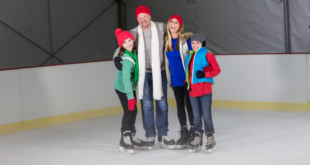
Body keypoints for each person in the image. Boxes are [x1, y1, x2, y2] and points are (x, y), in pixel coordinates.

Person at [113, 6, 175, 150]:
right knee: (146, 106)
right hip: (144, 74)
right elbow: (121, 46)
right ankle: (150, 135)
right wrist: (117, 59)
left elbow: (174, 33)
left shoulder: (160, 28)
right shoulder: (134, 33)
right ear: (137, 19)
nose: (143, 20)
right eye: (140, 18)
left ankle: (163, 135)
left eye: (145, 17)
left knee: (162, 104)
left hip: (160, 72)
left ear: (149, 16)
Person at [184, 33, 221, 153]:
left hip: (205, 90)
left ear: (202, 43)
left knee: (206, 116)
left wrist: (205, 74)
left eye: (197, 42)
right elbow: (188, 72)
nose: (195, 45)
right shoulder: (189, 56)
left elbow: (216, 69)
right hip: (193, 91)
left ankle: (210, 137)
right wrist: (186, 82)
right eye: (193, 43)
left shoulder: (207, 53)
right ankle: (197, 138)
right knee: (196, 117)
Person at [164, 14, 195, 149]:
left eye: (176, 22)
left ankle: (194, 132)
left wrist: (191, 78)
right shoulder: (167, 42)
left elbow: (194, 57)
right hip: (175, 80)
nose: (173, 24)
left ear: (180, 26)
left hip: (186, 79)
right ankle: (184, 132)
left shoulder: (186, 40)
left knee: (189, 106)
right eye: (172, 21)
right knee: (179, 107)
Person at [114, 28, 146, 154]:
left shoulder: (133, 53)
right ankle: (124, 138)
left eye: (129, 40)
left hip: (129, 87)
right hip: (123, 88)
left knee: (133, 110)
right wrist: (130, 97)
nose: (128, 43)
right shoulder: (127, 59)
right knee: (129, 111)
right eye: (125, 42)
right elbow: (126, 79)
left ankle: (131, 136)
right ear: (121, 45)